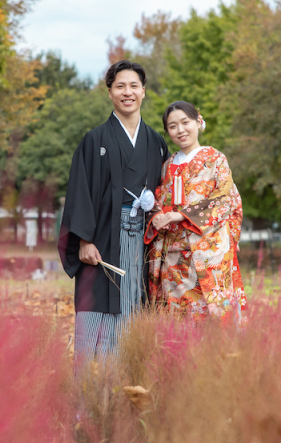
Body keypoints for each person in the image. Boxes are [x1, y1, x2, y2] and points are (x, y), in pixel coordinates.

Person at [58, 60, 169, 370]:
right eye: (120, 86)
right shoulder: (95, 141)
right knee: (99, 309)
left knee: (134, 305)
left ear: (144, 92)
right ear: (110, 93)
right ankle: (92, 398)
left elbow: (167, 195)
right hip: (104, 239)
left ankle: (127, 394)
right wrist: (83, 240)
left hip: (142, 241)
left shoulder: (156, 143)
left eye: (134, 86)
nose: (127, 92)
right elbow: (81, 191)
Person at [144, 101, 246, 322]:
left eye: (185, 122)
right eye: (172, 126)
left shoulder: (215, 159)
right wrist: (157, 215)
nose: (180, 130)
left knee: (213, 318)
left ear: (198, 122)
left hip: (208, 253)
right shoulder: (166, 166)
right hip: (174, 256)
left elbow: (226, 199)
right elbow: (156, 199)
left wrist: (182, 215)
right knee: (176, 319)